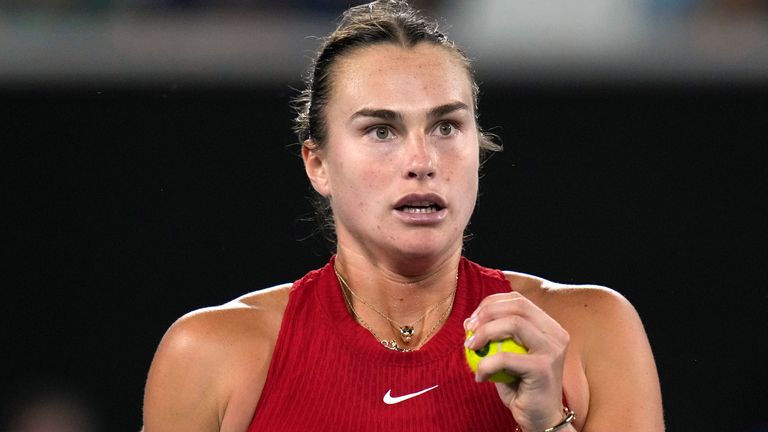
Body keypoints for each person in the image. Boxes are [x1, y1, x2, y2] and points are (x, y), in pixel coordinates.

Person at [142, 1, 664, 431]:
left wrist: (549, 422)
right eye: (381, 131)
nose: (422, 162)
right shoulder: (211, 353)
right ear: (318, 164)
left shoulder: (592, 330)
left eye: (446, 127)